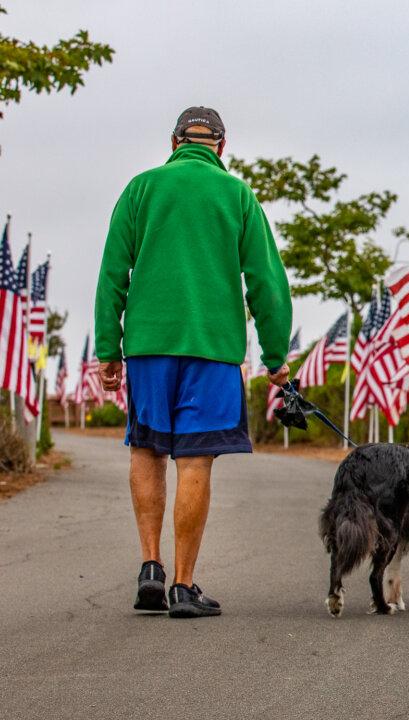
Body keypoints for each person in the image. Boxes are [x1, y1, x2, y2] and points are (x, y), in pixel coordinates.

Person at [94, 107, 292, 618]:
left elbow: (113, 272)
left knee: (146, 450)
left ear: (174, 142)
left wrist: (108, 349)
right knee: (195, 461)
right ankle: (183, 587)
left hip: (148, 346)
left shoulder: (141, 189)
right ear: (221, 147)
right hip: (212, 349)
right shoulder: (237, 195)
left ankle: (150, 567)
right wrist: (275, 356)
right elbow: (267, 282)